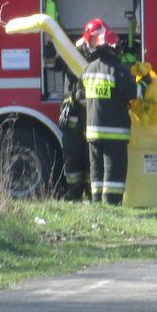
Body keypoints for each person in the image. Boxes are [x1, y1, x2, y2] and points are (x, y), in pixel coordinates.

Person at [79, 18, 137, 205]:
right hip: (115, 130)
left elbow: (80, 96)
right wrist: (144, 82)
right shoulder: (118, 69)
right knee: (114, 167)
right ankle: (111, 203)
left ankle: (96, 200)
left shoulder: (88, 69)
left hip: (93, 130)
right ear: (114, 48)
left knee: (96, 168)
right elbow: (132, 93)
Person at [57, 33, 92, 202]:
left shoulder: (94, 60)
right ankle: (75, 195)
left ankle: (88, 195)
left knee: (89, 162)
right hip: (74, 119)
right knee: (74, 162)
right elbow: (51, 63)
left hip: (87, 120)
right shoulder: (70, 58)